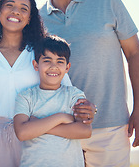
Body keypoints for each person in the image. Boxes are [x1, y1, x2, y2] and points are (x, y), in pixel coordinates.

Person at [38, 0, 139, 166]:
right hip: (61, 129)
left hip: (111, 125)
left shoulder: (108, 1)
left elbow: (135, 54)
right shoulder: (37, 19)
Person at [0, 0, 94, 167]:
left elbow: (69, 95)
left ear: (30, 18)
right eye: (9, 5)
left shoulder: (40, 54)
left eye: (24, 9)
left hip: (39, 136)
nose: (16, 11)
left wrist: (89, 109)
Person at [13, 35, 92, 167]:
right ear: (36, 65)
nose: (53, 66)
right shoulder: (26, 97)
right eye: (47, 60)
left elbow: (85, 131)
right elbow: (22, 133)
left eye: (60, 61)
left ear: (67, 67)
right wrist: (61, 117)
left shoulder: (74, 95)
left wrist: (38, 125)